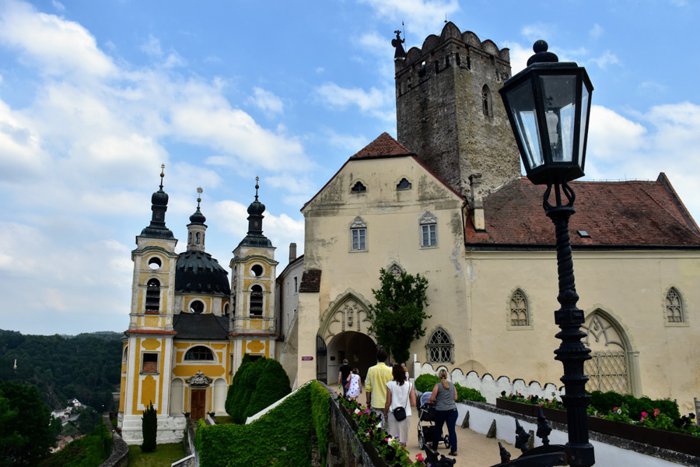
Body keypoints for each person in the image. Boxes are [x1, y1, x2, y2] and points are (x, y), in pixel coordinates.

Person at [384, 363, 416, 446]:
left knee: (392, 441)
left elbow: (388, 402)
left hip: (393, 414)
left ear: (393, 374)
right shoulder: (409, 385)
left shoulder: (390, 384)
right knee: (403, 441)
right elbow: (413, 403)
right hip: (406, 414)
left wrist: (385, 414)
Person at [429, 369, 458, 456]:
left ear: (439, 376)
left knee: (438, 429)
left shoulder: (437, 385)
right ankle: (454, 450)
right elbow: (455, 398)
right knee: (452, 430)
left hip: (441, 411)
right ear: (446, 376)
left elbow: (432, 398)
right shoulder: (452, 385)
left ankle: (434, 448)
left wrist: (437, 400)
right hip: (453, 410)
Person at [365, 347, 393, 422]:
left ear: (377, 357)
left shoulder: (371, 370)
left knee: (377, 425)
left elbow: (368, 388)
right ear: (386, 358)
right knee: (387, 425)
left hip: (375, 402)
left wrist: (368, 402)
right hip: (388, 403)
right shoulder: (390, 370)